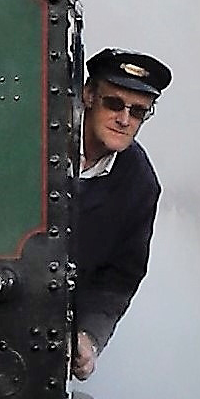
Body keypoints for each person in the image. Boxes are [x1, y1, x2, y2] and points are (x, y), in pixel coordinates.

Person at [72, 47, 171, 380]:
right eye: (114, 104)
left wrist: (90, 336)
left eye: (139, 111)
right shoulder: (34, 138)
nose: (125, 120)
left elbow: (118, 278)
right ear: (88, 95)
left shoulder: (140, 184)